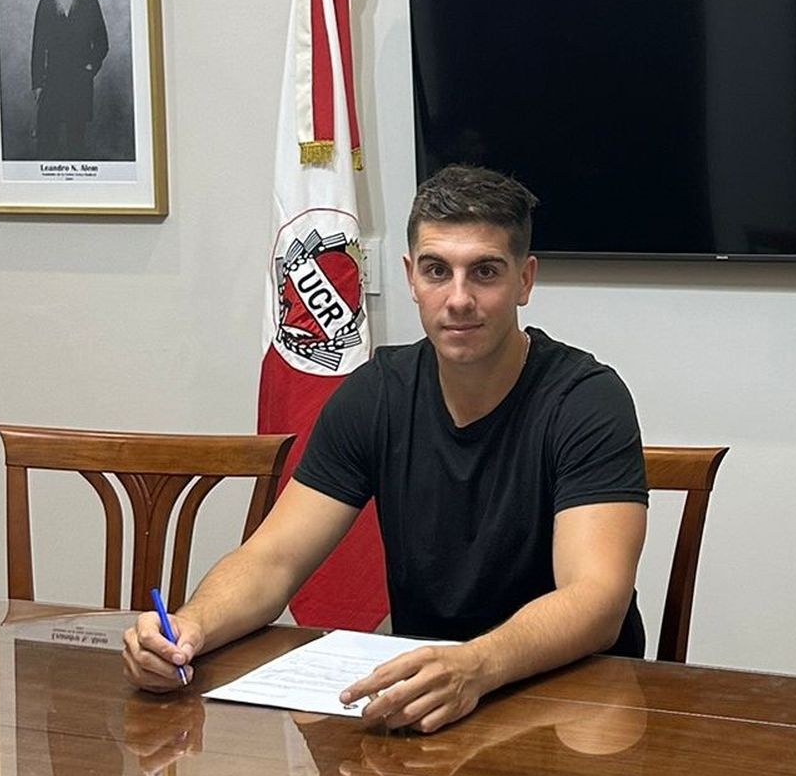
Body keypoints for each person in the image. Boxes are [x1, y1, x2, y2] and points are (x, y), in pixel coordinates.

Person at [123, 165, 649, 733]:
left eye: (486, 273)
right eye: (436, 271)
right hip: (428, 702)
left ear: (525, 280)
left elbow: (596, 600)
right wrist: (189, 629)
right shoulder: (377, 393)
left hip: (568, 702)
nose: (459, 298)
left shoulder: (587, 400)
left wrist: (476, 664)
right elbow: (272, 559)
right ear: (410, 277)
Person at [31, 0, 109, 160]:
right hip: (52, 83)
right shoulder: (45, 5)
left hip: (79, 83)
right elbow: (37, 48)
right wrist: (37, 84)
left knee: (76, 143)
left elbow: (103, 42)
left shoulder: (89, 1)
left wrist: (90, 67)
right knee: (48, 144)